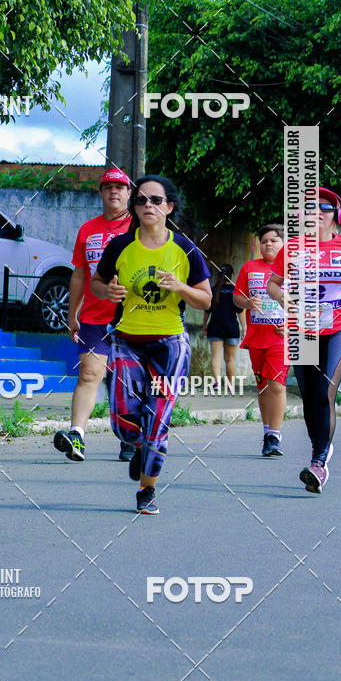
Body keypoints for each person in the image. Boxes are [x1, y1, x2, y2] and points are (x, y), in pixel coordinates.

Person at [90, 175, 211, 514]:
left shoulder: (185, 249)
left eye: (156, 200)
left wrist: (181, 288)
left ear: (169, 207)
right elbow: (97, 283)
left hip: (169, 346)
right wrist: (107, 292)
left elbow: (205, 300)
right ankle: (137, 445)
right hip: (126, 341)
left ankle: (147, 490)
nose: (148, 206)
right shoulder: (120, 246)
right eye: (141, 200)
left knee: (157, 418)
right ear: (134, 207)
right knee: (123, 421)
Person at [267, 187, 341, 493]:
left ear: (337, 215)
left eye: (322, 208)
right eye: (308, 208)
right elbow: (274, 284)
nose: (314, 213)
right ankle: (321, 446)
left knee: (326, 388)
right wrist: (285, 299)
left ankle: (319, 460)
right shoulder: (292, 248)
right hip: (302, 329)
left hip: (340, 328)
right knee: (310, 396)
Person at [53, 167, 133, 462]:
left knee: (126, 380)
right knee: (89, 374)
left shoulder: (139, 228)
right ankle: (77, 436)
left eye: (120, 187)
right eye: (108, 187)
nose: (114, 191)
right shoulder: (88, 230)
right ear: (101, 193)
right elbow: (78, 275)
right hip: (93, 319)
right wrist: (72, 313)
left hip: (133, 320)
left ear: (128, 193)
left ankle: (130, 436)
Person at [234, 225, 288, 457]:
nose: (268, 244)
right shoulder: (249, 267)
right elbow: (237, 297)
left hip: (281, 340)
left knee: (276, 385)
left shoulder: (294, 270)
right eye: (264, 240)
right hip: (256, 339)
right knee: (263, 387)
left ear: (284, 244)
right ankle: (267, 433)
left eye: (274, 240)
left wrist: (292, 325)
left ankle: (275, 436)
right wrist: (247, 304)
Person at [203, 264, 245, 386]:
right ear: (232, 275)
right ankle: (229, 385)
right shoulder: (235, 291)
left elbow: (207, 311)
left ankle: (217, 382)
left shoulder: (213, 290)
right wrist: (244, 329)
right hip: (232, 329)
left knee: (216, 357)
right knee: (230, 359)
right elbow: (240, 312)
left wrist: (204, 325)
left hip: (215, 328)